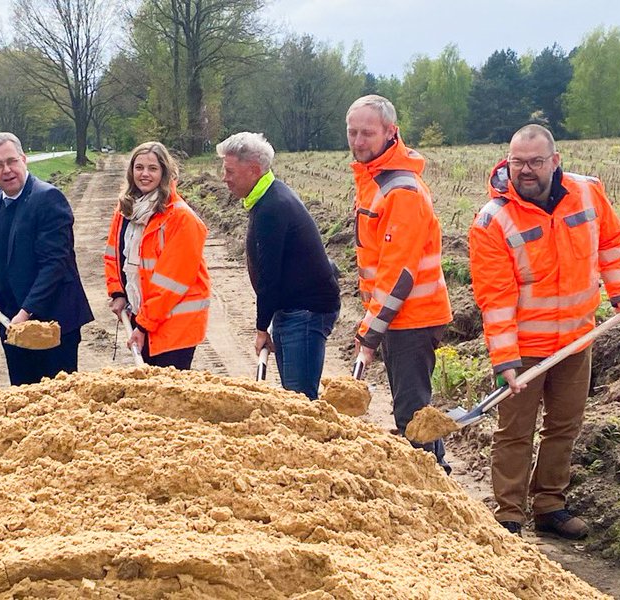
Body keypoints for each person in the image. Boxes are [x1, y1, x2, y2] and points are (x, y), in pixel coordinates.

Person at [469, 124, 620, 540]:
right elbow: (495, 298)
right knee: (515, 432)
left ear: (555, 161)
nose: (525, 171)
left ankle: (549, 505)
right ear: (507, 161)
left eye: (534, 162)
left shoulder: (587, 193)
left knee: (565, 425)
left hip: (576, 339)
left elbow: (612, 243)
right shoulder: (493, 220)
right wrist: (506, 361)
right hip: (525, 346)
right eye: (517, 162)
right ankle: (508, 515)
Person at [345, 95, 453, 469]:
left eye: (367, 133)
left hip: (414, 318)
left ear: (391, 132)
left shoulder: (402, 190)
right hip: (397, 319)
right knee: (409, 410)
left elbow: (398, 275)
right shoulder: (374, 179)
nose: (358, 141)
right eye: (352, 132)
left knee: (414, 415)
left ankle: (434, 485)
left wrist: (370, 333)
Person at [215, 131, 340, 398]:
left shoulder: (273, 207)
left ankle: (311, 439)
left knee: (300, 400)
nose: (224, 178)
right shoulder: (269, 197)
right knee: (292, 397)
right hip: (293, 308)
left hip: (305, 312)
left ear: (254, 169)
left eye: (229, 171)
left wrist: (262, 328)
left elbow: (269, 276)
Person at [0, 132, 94, 385]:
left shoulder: (48, 199)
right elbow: (9, 256)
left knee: (56, 403)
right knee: (23, 398)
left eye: (12, 161)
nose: (6, 170)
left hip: (53, 324)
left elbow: (55, 264)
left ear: (24, 159)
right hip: (14, 323)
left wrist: (25, 312)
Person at [104, 141, 210, 369]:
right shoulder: (126, 210)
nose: (144, 174)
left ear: (164, 173)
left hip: (174, 327)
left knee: (168, 397)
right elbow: (113, 255)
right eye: (139, 167)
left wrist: (143, 326)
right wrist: (117, 292)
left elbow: (171, 285)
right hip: (143, 315)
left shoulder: (181, 219)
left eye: (152, 168)